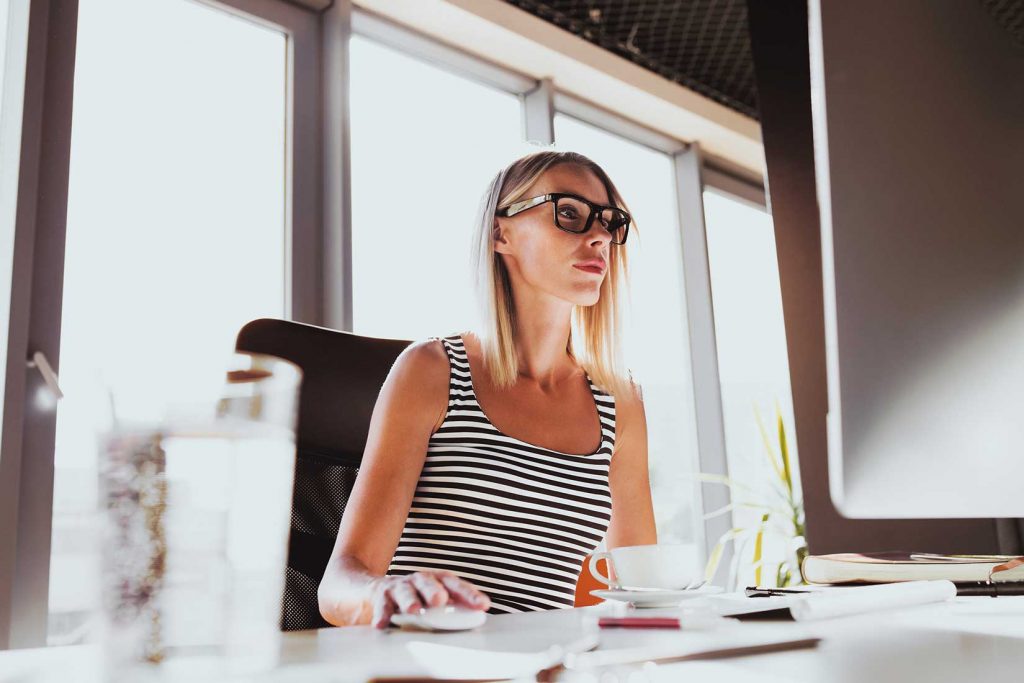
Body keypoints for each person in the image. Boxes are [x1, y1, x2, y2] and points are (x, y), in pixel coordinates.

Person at [318, 148, 656, 628]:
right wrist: (381, 592)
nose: (600, 236)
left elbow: (643, 593)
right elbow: (339, 588)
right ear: (502, 233)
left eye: (609, 222)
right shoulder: (431, 371)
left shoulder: (620, 403)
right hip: (426, 667)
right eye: (570, 214)